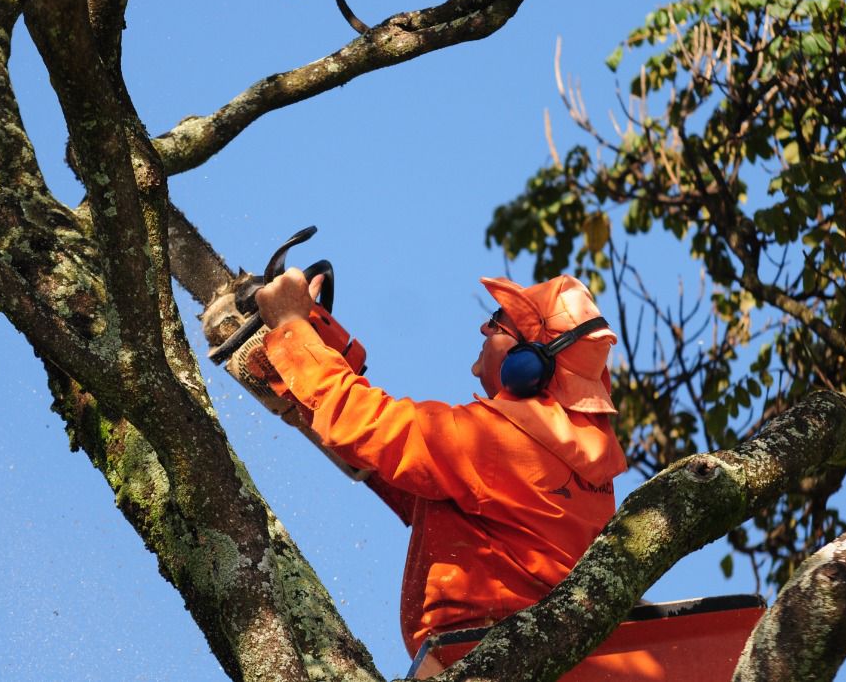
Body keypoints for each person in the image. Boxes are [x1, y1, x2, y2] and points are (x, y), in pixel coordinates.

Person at [255, 270, 627, 668]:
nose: (485, 327)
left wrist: (292, 327)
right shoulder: (577, 464)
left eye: (498, 321)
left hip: (481, 654)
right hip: (522, 655)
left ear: (531, 361)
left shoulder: (499, 440)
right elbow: (421, 484)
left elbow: (371, 427)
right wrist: (311, 375)